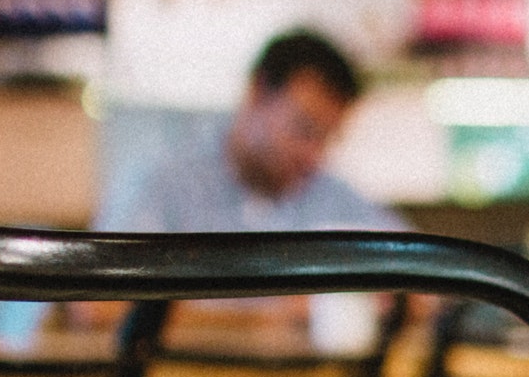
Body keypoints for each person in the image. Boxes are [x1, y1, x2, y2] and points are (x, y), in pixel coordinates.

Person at [95, 29, 402, 235]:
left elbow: (419, 270)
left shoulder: (331, 197)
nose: (313, 155)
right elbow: (99, 303)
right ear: (257, 93)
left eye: (327, 139)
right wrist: (284, 308)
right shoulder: (160, 186)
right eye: (304, 130)